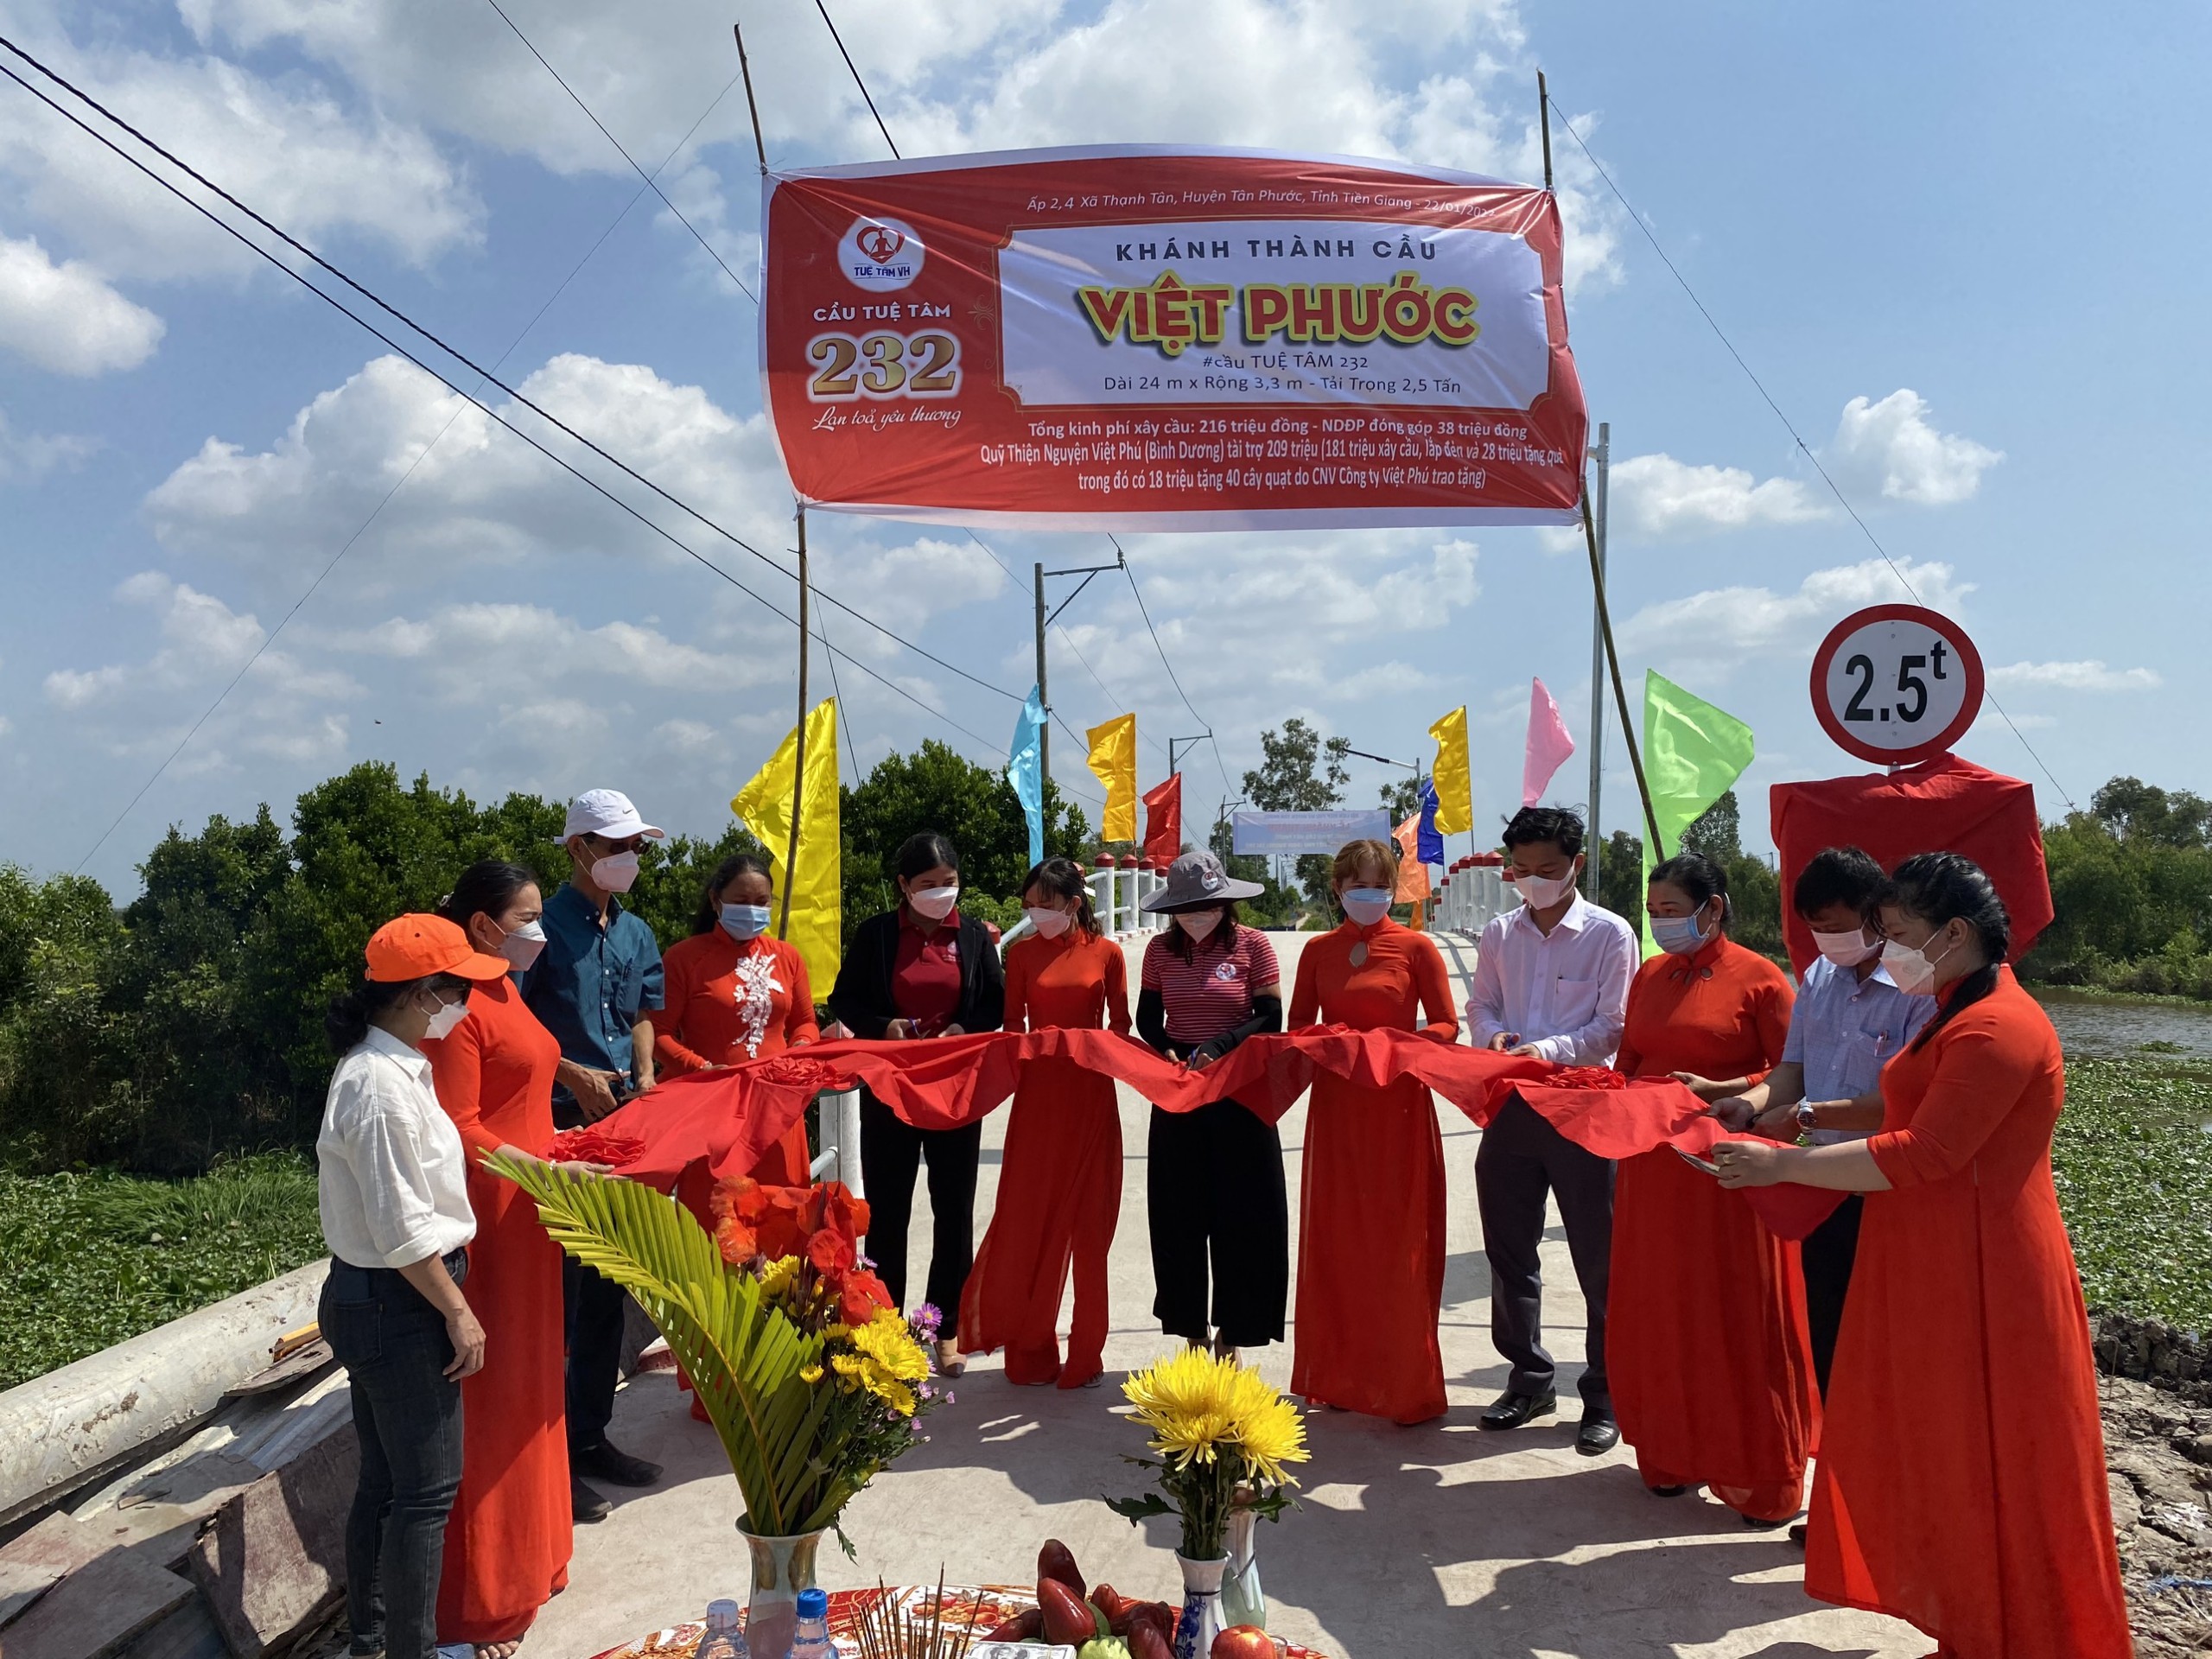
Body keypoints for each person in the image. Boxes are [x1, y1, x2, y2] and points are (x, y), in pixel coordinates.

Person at [1713, 854, 2131, 1658]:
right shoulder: (1950, 1008)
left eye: (1899, 934)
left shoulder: (1997, 1027)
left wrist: (1785, 1166)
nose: (1890, 950)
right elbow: (1900, 1110)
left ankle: (2026, 1634)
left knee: (1999, 1456)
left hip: (1988, 1267)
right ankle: (1973, 1627)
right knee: (1950, 1451)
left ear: (1954, 933)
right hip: (1935, 1253)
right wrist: (1799, 1121)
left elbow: (1927, 1150)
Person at [316, 914, 506, 1659]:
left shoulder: (395, 1069)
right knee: (425, 1494)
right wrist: (459, 1313)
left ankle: (374, 1641)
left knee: (388, 1484)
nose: (465, 1004)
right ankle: (410, 1650)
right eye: (459, 991)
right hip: (401, 1300)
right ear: (423, 994)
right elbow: (400, 1231)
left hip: (378, 1296)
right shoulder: (378, 1090)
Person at [1607, 851, 1811, 1526]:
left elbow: (1792, 1074)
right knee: (1663, 1307)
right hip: (1653, 1170)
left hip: (1729, 1174)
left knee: (1736, 1311)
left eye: (1672, 911)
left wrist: (1723, 1091)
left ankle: (1759, 1472)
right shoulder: (1650, 974)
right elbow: (1631, 1059)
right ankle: (1671, 1453)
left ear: (1713, 908)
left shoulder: (1760, 979)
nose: (1660, 923)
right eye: (1654, 912)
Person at [1712, 846, 1932, 1404]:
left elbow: (1903, 1101)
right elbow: (1793, 1070)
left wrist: (1806, 1114)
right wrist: (1749, 1106)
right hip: (1823, 1184)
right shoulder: (1819, 978)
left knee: (1886, 1338)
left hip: (1887, 1186)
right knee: (1827, 1332)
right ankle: (1837, 1442)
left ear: (1876, 913)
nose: (1828, 942)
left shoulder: (1919, 987)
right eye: (1816, 930)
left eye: (1836, 928)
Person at [417, 865, 570, 1657]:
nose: (539, 930)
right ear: (482, 925)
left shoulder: (506, 987)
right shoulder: (458, 1007)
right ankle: (481, 1598)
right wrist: (541, 1168)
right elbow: (459, 1126)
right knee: (494, 1399)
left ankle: (536, 1556)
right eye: (527, 917)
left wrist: (562, 1154)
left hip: (535, 1211)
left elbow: (525, 1098)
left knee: (535, 1383)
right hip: (493, 1220)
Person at [1466, 805, 1638, 1454]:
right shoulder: (1499, 932)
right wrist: (1494, 1037)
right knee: (1509, 1249)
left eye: (1548, 868)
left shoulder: (1609, 934)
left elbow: (1613, 1026)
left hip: (1585, 1110)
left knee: (1600, 1256)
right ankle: (1529, 1378)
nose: (1534, 880)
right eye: (1522, 869)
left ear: (1576, 865)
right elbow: (1481, 1004)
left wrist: (1548, 1050)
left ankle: (1605, 1394)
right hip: (1512, 1106)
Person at [519, 789, 666, 1518]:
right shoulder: (538, 929)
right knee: (560, 1302)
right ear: (579, 849)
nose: (629, 858)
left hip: (621, 1129)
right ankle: (548, 1459)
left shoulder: (635, 931)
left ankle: (588, 1437)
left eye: (636, 846)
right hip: (554, 1129)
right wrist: (572, 1073)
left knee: (607, 1287)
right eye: (617, 846)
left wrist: (645, 1073)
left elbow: (643, 1012)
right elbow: (511, 1019)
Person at [1287, 838, 1459, 1423]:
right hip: (1338, 1108)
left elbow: (1447, 1025)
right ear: (1338, 889)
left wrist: (1398, 1047)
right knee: (1340, 1240)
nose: (1370, 894)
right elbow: (1298, 1027)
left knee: (1397, 1241)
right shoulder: (1317, 951)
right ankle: (1341, 1376)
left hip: (1397, 1106)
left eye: (1380, 885)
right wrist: (1329, 1043)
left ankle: (1404, 1381)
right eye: (1358, 885)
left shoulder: (1415, 947)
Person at [828, 830, 1005, 1376]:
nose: (940, 893)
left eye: (949, 882)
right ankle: (884, 1329)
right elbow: (844, 1000)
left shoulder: (974, 936)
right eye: (928, 884)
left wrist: (963, 1028)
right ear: (904, 886)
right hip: (892, 1091)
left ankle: (942, 1329)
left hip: (955, 1091)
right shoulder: (878, 936)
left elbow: (995, 1004)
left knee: (953, 1213)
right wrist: (885, 1026)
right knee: (889, 1213)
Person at [959, 856, 1131, 1389]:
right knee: (1029, 1220)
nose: (1036, 913)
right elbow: (1013, 1025)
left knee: (1089, 1232)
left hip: (1090, 1099)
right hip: (1037, 1103)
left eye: (1047, 904)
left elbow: (1121, 1029)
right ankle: (1031, 1349)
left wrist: (1090, 1045)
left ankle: (1087, 1354)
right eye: (1029, 905)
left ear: (1074, 904)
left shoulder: (1107, 954)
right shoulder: (1021, 954)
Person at [1135, 849, 1287, 1362]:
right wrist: (1167, 1049)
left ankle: (1234, 1333)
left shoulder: (1253, 945)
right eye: (1188, 909)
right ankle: (1192, 1331)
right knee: (1178, 1212)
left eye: (1208, 906)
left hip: (1240, 1088)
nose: (1198, 915)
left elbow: (1269, 1017)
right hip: (1179, 1088)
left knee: (1246, 1214)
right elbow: (1148, 1017)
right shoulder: (1159, 951)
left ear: (1225, 903)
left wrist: (1221, 1047)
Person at [651, 851, 822, 1186]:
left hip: (778, 1104)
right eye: (742, 901)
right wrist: (700, 1069)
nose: (752, 909)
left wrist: (799, 1052)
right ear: (716, 900)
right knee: (714, 1208)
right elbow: (657, 1034)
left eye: (761, 902)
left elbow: (805, 1022)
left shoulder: (787, 957)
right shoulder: (684, 958)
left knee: (782, 1206)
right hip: (710, 1107)